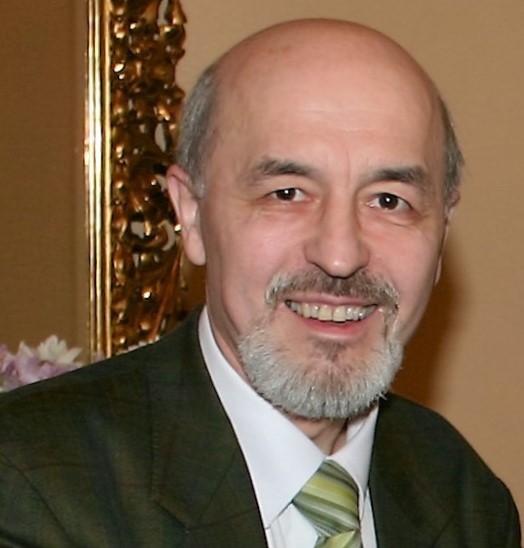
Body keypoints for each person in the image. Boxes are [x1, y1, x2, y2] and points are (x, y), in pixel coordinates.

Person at [0, 18, 520, 547]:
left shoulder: (464, 498)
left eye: (389, 201)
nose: (340, 255)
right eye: (286, 193)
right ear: (192, 214)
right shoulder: (29, 482)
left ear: (441, 233)